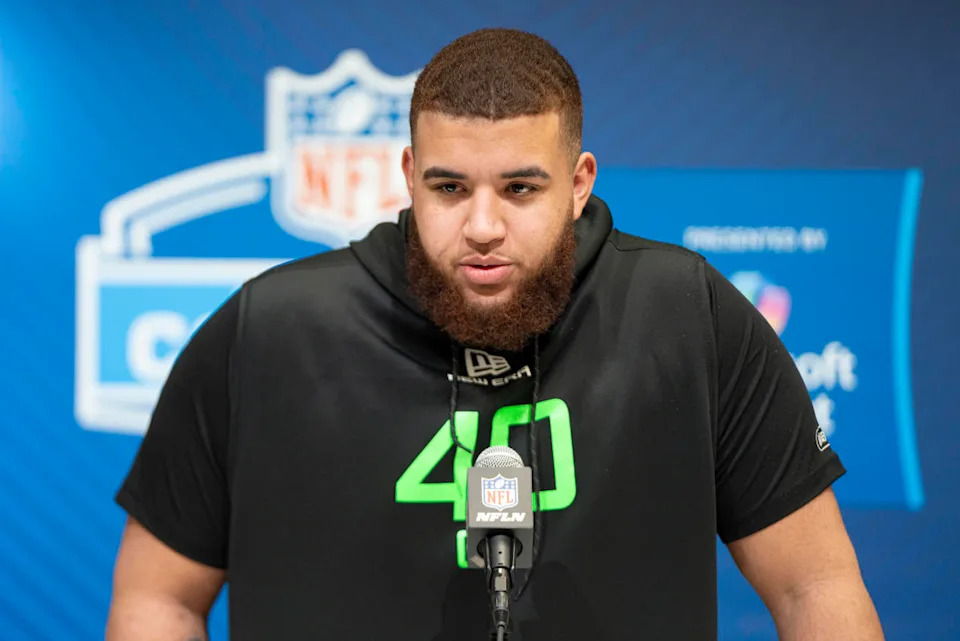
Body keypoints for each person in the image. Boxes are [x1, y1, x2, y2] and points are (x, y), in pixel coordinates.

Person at [106, 28, 885, 641]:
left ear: (579, 183)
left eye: (520, 188)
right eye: (449, 187)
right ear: (409, 174)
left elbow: (813, 585)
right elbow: (158, 597)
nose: (482, 226)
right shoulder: (266, 329)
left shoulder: (689, 313)